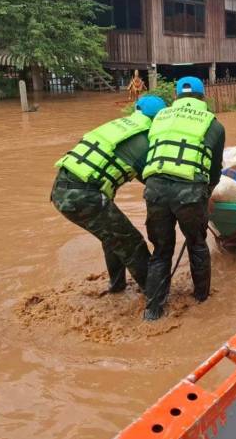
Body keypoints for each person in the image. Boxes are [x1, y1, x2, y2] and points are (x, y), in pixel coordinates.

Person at [51, 94, 167, 294]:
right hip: (85, 196)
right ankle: (156, 296)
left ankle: (117, 286)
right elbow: (154, 184)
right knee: (132, 243)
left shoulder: (117, 126)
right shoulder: (143, 140)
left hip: (61, 189)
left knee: (112, 237)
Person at [141, 77, 225, 321]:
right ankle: (201, 300)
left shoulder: (159, 117)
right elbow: (215, 169)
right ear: (202, 97)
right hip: (189, 191)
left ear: (176, 97)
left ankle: (153, 310)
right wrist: (206, 193)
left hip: (155, 188)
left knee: (160, 250)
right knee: (197, 244)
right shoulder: (213, 124)